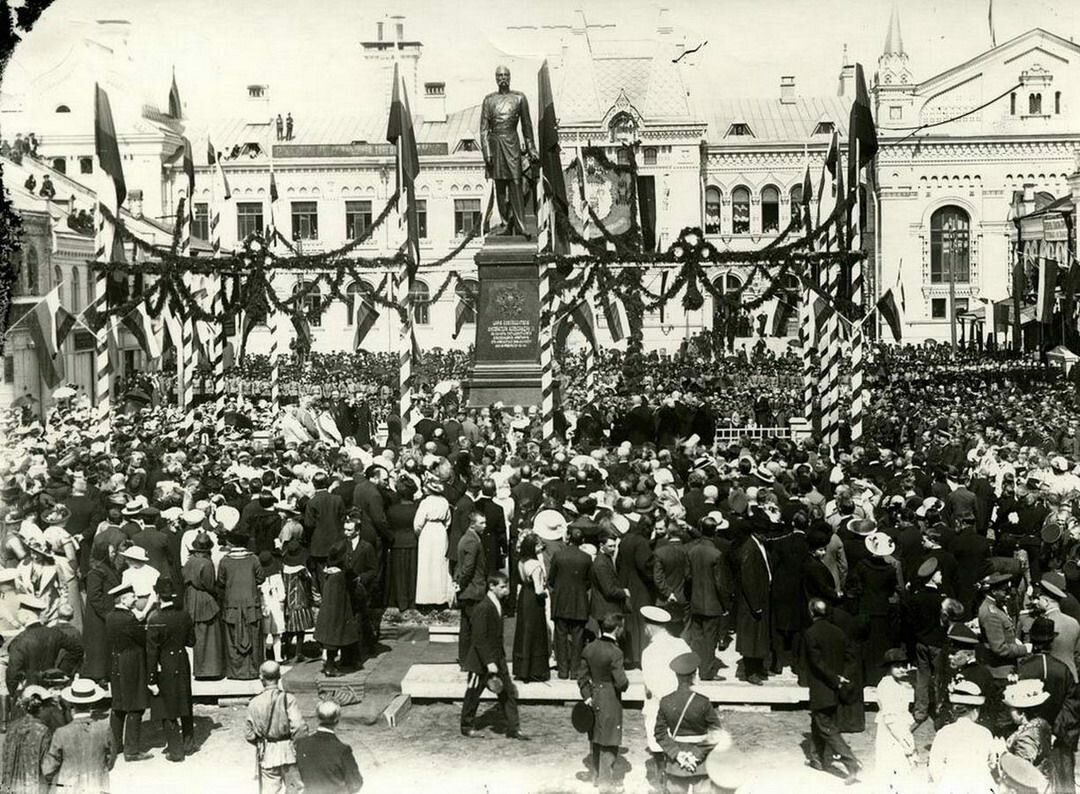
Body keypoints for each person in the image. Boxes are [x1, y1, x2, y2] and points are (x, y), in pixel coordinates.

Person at [459, 573, 526, 740]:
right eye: (502, 587)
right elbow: (479, 638)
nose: (506, 590)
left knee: (507, 692)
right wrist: (489, 662)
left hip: (497, 658)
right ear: (492, 586)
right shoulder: (483, 607)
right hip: (480, 661)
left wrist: (498, 660)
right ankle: (466, 726)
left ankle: (513, 728)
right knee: (473, 694)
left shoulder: (496, 604)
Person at [801, 598, 861, 783]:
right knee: (819, 721)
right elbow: (851, 657)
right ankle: (816, 758)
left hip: (823, 688)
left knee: (826, 727)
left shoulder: (810, 633)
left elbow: (817, 663)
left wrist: (835, 679)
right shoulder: (838, 632)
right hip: (835, 689)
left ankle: (851, 764)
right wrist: (843, 677)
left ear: (812, 613)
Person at [654, 651, 725, 794]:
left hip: (676, 763)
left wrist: (678, 755)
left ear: (676, 675)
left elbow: (660, 733)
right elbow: (716, 732)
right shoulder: (703, 702)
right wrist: (696, 754)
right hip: (701, 763)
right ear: (694, 675)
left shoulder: (666, 701)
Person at [480, 65, 537, 237]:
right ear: (495, 78)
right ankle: (505, 224)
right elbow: (483, 129)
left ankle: (521, 226)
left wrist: (531, 147)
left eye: (505, 75)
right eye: (499, 75)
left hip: (512, 142)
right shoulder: (489, 100)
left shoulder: (519, 98)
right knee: (500, 185)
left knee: (516, 182)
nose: (503, 78)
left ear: (510, 77)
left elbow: (527, 126)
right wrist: (487, 152)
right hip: (495, 144)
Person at [640, 605, 691, 789]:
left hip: (659, 709)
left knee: (660, 751)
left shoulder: (649, 652)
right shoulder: (681, 644)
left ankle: (664, 788)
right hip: (683, 707)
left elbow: (652, 684)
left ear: (650, 627)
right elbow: (693, 675)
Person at [578, 612, 629, 793]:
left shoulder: (589, 648)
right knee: (610, 739)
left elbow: (582, 678)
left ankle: (597, 777)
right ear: (618, 628)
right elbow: (621, 683)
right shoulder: (615, 652)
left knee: (596, 738)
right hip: (610, 698)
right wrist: (625, 683)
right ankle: (607, 785)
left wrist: (587, 696)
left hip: (594, 696)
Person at [146, 578, 195, 762]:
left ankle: (175, 750)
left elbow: (151, 653)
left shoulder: (155, 619)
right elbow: (192, 641)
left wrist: (151, 679)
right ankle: (189, 743)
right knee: (185, 700)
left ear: (158, 595)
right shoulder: (184, 615)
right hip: (182, 660)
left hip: (165, 663)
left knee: (167, 706)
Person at [244, 660, 308, 794]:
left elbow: (249, 734)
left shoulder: (254, 703)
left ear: (261, 678)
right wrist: (297, 745)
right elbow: (299, 727)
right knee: (296, 790)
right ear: (279, 676)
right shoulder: (288, 699)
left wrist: (261, 742)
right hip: (289, 752)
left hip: (267, 753)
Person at [41, 678, 113, 794]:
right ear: (92, 703)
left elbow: (48, 768)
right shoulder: (104, 729)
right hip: (98, 784)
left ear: (72, 703)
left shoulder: (61, 732)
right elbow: (110, 761)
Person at [928, 679, 999, 794]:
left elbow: (934, 766)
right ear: (976, 710)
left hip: (952, 787)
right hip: (979, 787)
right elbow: (992, 764)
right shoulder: (984, 733)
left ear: (954, 710)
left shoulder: (944, 733)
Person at [105, 582, 150, 762]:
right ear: (123, 599)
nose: (135, 599)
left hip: (116, 662)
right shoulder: (130, 619)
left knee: (118, 706)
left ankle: (115, 745)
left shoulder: (109, 617)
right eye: (132, 596)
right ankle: (132, 750)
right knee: (135, 706)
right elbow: (142, 638)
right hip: (132, 663)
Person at [687, 518, 731, 681]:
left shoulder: (692, 551)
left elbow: (688, 576)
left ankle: (696, 668)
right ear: (715, 531)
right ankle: (707, 671)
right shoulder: (716, 554)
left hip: (696, 600)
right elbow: (720, 583)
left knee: (697, 638)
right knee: (710, 639)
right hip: (712, 603)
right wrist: (725, 604)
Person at [217, 531, 265, 680]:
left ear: (231, 544)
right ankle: (252, 671)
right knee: (254, 637)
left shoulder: (225, 561)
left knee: (232, 639)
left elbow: (221, 581)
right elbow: (261, 578)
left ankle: (235, 672)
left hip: (231, 606)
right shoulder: (254, 559)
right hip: (251, 606)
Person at [548, 526, 592, 680]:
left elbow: (551, 579)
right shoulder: (586, 558)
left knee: (560, 637)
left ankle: (563, 670)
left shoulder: (558, 556)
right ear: (583, 541)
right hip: (579, 601)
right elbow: (589, 581)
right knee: (578, 637)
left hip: (561, 600)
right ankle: (575, 670)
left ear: (568, 538)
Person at [295, 700, 364, 794]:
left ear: (317, 718)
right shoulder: (342, 750)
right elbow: (355, 783)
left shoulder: (301, 744)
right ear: (337, 720)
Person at [182, 531, 226, 679]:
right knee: (209, 635)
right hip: (204, 598)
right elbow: (209, 585)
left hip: (190, 597)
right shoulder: (206, 563)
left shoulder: (190, 561)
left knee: (197, 635)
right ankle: (210, 670)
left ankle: (199, 669)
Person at [874, 648, 918, 793]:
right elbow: (890, 717)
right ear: (888, 667)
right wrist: (903, 738)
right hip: (892, 732)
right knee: (893, 768)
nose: (901, 669)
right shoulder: (886, 685)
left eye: (903, 666)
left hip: (900, 728)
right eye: (896, 666)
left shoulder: (898, 684)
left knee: (901, 769)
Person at [313, 541, 359, 677]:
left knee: (334, 637)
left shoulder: (330, 572)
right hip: (336, 612)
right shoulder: (337, 577)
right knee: (334, 638)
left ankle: (337, 663)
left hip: (331, 611)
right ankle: (330, 667)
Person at [735, 524, 773, 685]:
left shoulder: (758, 545)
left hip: (761, 598)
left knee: (758, 637)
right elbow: (748, 579)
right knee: (751, 637)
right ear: (757, 532)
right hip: (753, 601)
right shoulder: (750, 549)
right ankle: (751, 671)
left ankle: (757, 667)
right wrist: (755, 604)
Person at [512, 533, 550, 682]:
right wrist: (546, 593)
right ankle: (535, 669)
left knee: (524, 631)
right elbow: (539, 590)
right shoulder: (535, 565)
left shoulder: (521, 561)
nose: (541, 547)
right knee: (536, 632)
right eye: (538, 545)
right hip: (534, 600)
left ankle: (522, 669)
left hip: (524, 597)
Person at [1, 685, 51, 794]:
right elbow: (46, 765)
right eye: (48, 707)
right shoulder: (43, 730)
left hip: (11, 786)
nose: (50, 711)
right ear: (41, 708)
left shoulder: (12, 727)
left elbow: (5, 757)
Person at [82, 542, 121, 683]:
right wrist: (105, 613)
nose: (114, 554)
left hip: (104, 614)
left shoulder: (107, 569)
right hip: (98, 617)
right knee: (99, 646)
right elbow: (94, 596)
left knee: (104, 646)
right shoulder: (96, 572)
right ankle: (98, 675)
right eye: (111, 552)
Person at [454, 510, 488, 668]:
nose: (485, 526)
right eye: (482, 523)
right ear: (473, 524)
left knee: (467, 626)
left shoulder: (470, 538)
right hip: (473, 589)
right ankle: (472, 660)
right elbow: (468, 567)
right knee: (474, 627)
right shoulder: (471, 541)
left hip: (469, 588)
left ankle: (465, 660)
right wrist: (461, 583)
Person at [415, 474, 454, 609]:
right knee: (440, 564)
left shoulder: (425, 502)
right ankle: (440, 598)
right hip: (440, 531)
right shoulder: (444, 502)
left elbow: (418, 523)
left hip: (428, 531)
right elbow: (448, 520)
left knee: (426, 564)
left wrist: (420, 533)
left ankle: (425, 599)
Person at [1003, 679, 1053, 780]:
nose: (1008, 712)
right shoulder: (1041, 724)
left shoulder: (1027, 736)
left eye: (1011, 709)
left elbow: (1021, 769)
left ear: (1022, 713)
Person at [280, 539, 317, 664]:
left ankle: (285, 652)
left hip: (287, 600)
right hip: (300, 599)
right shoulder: (302, 569)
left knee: (287, 628)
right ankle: (298, 652)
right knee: (300, 629)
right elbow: (310, 582)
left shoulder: (283, 566)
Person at [385, 477, 419, 610]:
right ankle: (412, 601)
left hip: (397, 543)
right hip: (413, 542)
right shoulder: (417, 509)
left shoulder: (392, 510)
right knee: (412, 573)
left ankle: (400, 601)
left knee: (398, 575)